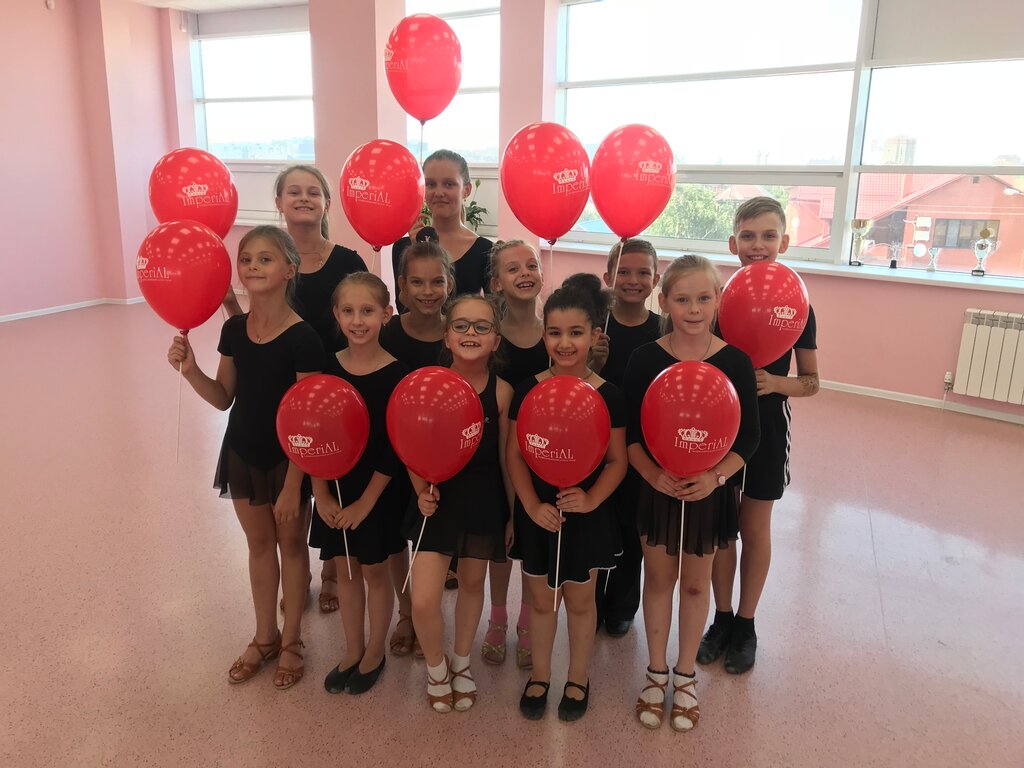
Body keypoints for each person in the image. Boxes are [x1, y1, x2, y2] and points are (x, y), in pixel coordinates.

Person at [168, 226, 323, 690]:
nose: (253, 266)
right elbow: (222, 398)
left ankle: (293, 640)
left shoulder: (304, 338)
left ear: (290, 269)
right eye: (247, 259)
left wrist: (294, 484)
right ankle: (265, 636)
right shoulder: (234, 330)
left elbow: (308, 421)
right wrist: (190, 369)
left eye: (265, 258)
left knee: (291, 545)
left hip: (288, 461)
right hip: (241, 453)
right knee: (258, 546)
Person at [224, 164, 367, 614]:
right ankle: (299, 573)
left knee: (333, 484)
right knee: (294, 499)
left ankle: (331, 570)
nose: (303, 198)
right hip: (283, 391)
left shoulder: (347, 261)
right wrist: (228, 305)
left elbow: (363, 315)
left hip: (337, 386)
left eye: (313, 192)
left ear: (326, 203)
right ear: (279, 203)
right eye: (293, 192)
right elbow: (255, 329)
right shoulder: (268, 257)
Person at [624, 254, 760, 731]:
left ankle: (685, 676)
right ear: (663, 302)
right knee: (659, 580)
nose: (694, 309)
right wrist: (651, 475)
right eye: (682, 299)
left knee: (697, 584)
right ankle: (655, 671)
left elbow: (749, 438)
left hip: (709, 491)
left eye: (704, 298)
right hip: (657, 488)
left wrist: (715, 477)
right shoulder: (645, 359)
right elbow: (631, 437)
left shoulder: (735, 362)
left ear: (718, 299)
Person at [698, 196, 819, 674]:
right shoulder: (716, 301)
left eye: (768, 236)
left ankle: (746, 623)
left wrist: (774, 383)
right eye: (748, 236)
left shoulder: (799, 305)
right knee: (722, 527)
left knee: (754, 527)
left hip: (768, 427)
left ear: (784, 242)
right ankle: (722, 617)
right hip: (719, 428)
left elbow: (811, 382)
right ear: (733, 243)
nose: (757, 245)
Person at [507, 276, 628, 723]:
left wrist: (592, 499)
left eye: (575, 333)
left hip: (586, 514)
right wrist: (530, 506)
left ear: (594, 336)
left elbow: (617, 461)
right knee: (541, 601)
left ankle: (578, 677)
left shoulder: (609, 395)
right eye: (555, 333)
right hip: (539, 512)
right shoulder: (528, 389)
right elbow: (515, 455)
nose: (564, 343)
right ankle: (540, 675)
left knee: (580, 601)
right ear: (544, 337)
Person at [406, 295, 513, 712]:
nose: (471, 333)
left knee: (471, 584)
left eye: (482, 327)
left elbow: (506, 460)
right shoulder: (426, 384)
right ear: (446, 336)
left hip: (483, 500)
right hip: (436, 502)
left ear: (496, 340)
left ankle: (462, 662)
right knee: (423, 600)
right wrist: (420, 491)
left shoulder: (502, 392)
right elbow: (409, 445)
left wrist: (511, 515)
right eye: (462, 325)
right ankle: (437, 669)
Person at [312, 273, 410, 696]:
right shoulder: (326, 369)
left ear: (386, 314)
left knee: (373, 571)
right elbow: (312, 434)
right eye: (348, 311)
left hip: (377, 493)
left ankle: (374, 651)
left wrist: (366, 503)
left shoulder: (397, 375)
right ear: (336, 314)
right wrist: (320, 493)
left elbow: (393, 449)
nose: (357, 320)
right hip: (336, 491)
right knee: (346, 570)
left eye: (367, 311)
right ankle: (352, 649)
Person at [379, 240, 456, 657]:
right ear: (403, 285)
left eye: (437, 282)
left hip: (444, 458)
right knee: (396, 536)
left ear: (450, 284)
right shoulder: (388, 333)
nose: (428, 291)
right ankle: (407, 612)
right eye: (418, 282)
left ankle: (430, 610)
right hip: (393, 454)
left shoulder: (455, 333)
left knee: (433, 537)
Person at [479, 240, 547, 670]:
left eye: (531, 265)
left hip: (541, 455)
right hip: (495, 453)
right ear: (496, 283)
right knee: (500, 541)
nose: (524, 273)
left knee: (529, 538)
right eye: (512, 268)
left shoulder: (554, 333)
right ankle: (498, 615)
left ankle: (526, 620)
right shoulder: (492, 338)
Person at [590, 238, 662, 637]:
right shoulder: (595, 328)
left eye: (643, 273)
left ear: (656, 279)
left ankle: (621, 604)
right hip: (597, 444)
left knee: (633, 526)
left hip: (645, 446)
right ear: (608, 277)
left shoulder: (663, 329)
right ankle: (590, 600)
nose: (633, 280)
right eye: (624, 272)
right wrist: (594, 364)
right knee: (598, 518)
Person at [391, 150, 492, 313]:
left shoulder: (485, 250)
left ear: (466, 190)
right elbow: (403, 308)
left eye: (448, 184)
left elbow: (493, 311)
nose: (438, 193)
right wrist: (417, 253)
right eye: (431, 184)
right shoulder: (404, 247)